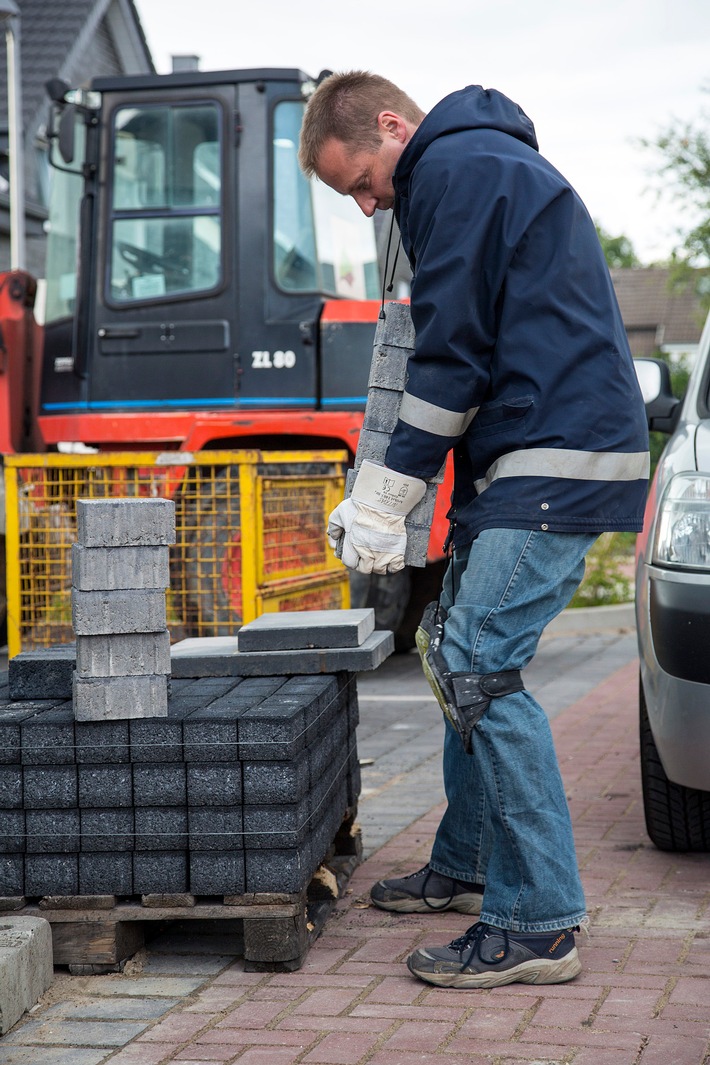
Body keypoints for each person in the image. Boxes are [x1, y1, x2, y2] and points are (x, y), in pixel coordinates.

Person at [299, 72, 649, 989]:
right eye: (355, 198)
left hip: (551, 452)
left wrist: (386, 490)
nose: (370, 203)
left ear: (390, 126)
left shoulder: (454, 169)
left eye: (364, 182)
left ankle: (538, 920)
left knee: (477, 663)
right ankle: (468, 861)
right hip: (529, 449)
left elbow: (452, 353)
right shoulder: (476, 167)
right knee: (451, 643)